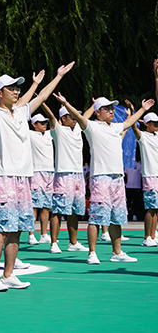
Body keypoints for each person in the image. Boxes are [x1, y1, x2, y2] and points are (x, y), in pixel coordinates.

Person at [0, 58, 74, 291]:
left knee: (17, 229)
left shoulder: (21, 111)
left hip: (24, 178)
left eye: (17, 88)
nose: (16, 91)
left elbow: (42, 96)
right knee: (2, 230)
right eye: (11, 88)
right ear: (0, 93)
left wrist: (58, 76)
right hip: (3, 178)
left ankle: (8, 275)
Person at [53, 93, 152, 265]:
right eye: (107, 109)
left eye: (112, 108)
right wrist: (66, 103)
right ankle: (92, 253)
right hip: (100, 178)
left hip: (117, 178)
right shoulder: (91, 126)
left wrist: (143, 109)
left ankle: (117, 252)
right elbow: (78, 117)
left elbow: (130, 122)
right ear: (98, 112)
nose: (111, 111)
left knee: (117, 217)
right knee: (96, 217)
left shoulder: (116, 127)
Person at [42, 103, 91, 253]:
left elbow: (85, 116)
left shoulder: (78, 129)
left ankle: (73, 243)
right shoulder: (58, 130)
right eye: (72, 116)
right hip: (63, 175)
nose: (76, 119)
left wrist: (96, 104)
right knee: (58, 210)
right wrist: (42, 100)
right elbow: (51, 116)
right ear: (63, 118)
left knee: (75, 210)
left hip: (78, 176)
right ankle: (54, 243)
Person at [131, 113, 158, 246]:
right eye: (154, 123)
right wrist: (133, 114)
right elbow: (134, 128)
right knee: (151, 207)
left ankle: (153, 235)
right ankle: (147, 237)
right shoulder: (143, 136)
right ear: (147, 124)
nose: (157, 125)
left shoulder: (157, 135)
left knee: (156, 208)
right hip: (150, 175)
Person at [27, 114, 54, 246]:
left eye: (45, 122)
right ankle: (31, 234)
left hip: (50, 172)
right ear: (34, 124)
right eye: (41, 122)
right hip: (36, 172)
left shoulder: (49, 134)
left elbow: (57, 123)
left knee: (45, 205)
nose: (44, 124)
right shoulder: (30, 134)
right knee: (34, 205)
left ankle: (44, 234)